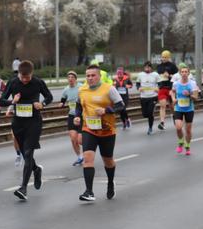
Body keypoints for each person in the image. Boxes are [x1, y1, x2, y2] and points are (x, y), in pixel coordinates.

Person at [0, 60, 53, 201]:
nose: (24, 80)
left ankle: (23, 188)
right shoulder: (13, 83)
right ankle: (36, 169)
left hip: (34, 122)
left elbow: (49, 97)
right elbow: (1, 101)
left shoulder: (38, 82)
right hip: (18, 123)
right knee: (25, 155)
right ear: (18, 74)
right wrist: (12, 102)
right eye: (22, 77)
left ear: (31, 74)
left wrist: (42, 104)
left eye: (27, 78)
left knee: (29, 153)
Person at [74, 64, 125, 202]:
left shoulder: (109, 89)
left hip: (107, 130)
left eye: (93, 75)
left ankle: (110, 182)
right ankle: (89, 191)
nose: (90, 78)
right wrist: (77, 116)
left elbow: (121, 105)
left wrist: (106, 110)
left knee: (108, 160)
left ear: (99, 76)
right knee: (88, 158)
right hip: (89, 128)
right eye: (88, 76)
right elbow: (78, 106)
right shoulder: (82, 89)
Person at [171, 63, 199, 156]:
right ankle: (180, 142)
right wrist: (174, 99)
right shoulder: (176, 83)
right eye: (182, 72)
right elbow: (172, 92)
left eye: (185, 72)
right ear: (180, 73)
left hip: (189, 109)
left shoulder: (192, 83)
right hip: (178, 108)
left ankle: (187, 146)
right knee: (178, 127)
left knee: (188, 130)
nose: (184, 73)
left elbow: (196, 97)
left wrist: (189, 95)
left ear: (188, 73)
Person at [60, 70, 83, 166]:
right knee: (73, 139)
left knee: (80, 140)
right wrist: (62, 103)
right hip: (71, 116)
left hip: (81, 115)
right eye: (69, 77)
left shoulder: (81, 87)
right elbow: (63, 99)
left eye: (72, 77)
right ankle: (80, 157)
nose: (70, 79)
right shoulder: (65, 89)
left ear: (75, 79)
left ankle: (89, 151)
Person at [156, 50, 178, 130]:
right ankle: (162, 123)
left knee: (172, 107)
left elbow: (177, 77)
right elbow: (158, 76)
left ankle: (174, 117)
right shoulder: (159, 66)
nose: (164, 59)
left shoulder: (172, 66)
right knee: (163, 105)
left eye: (165, 57)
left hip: (171, 88)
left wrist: (169, 76)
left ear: (169, 58)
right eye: (163, 57)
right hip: (162, 88)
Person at [136, 61, 160, 135]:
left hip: (153, 96)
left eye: (148, 67)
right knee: (145, 114)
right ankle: (151, 115)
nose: (147, 68)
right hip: (143, 97)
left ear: (151, 68)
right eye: (146, 67)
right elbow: (137, 83)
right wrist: (138, 88)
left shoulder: (155, 74)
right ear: (144, 67)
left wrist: (158, 88)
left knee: (150, 113)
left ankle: (150, 128)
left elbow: (160, 83)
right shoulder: (140, 75)